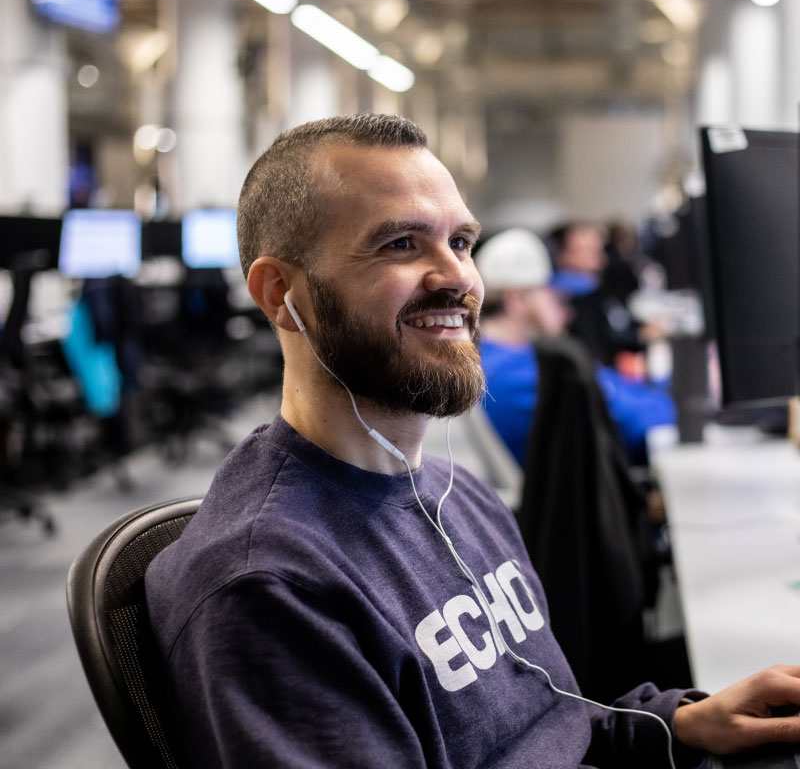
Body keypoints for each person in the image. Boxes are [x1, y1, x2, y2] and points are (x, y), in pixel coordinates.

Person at [145, 113, 800, 768]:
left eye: (460, 241)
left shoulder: (459, 495)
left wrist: (679, 725)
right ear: (280, 294)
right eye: (401, 243)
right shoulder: (272, 588)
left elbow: (553, 731)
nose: (457, 277)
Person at [476, 227, 676, 466]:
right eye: (557, 300)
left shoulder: (522, 357)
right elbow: (636, 424)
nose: (569, 314)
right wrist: (686, 406)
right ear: (517, 299)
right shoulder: (514, 376)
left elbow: (609, 387)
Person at [548, 220, 665, 368]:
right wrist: (639, 335)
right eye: (588, 250)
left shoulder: (597, 287)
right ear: (565, 255)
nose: (599, 256)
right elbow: (601, 346)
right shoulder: (567, 299)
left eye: (598, 249)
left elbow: (617, 321)